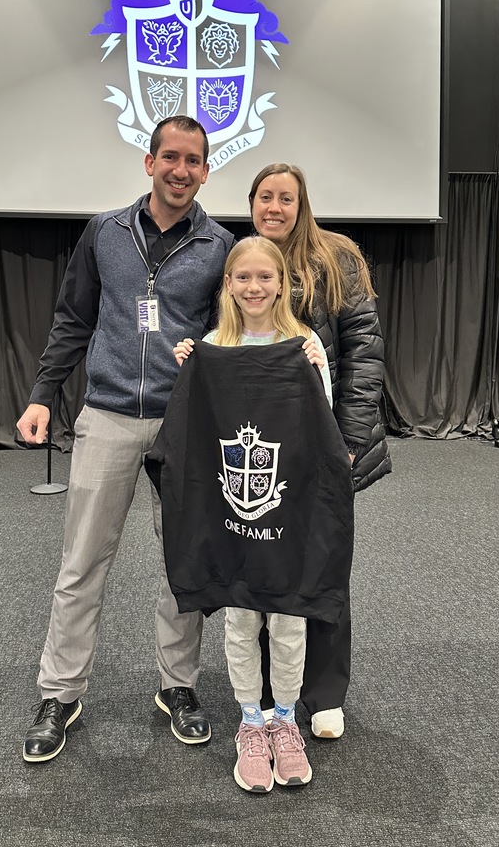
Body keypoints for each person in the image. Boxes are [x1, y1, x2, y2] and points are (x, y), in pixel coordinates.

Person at [17, 115, 234, 763]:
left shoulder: (220, 244)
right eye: (170, 157)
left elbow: (228, 332)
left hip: (183, 421)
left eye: (193, 160)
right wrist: (40, 395)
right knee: (82, 564)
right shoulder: (103, 232)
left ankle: (179, 686)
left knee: (182, 565)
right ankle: (61, 693)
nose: (180, 170)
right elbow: (72, 318)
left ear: (204, 169)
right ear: (149, 163)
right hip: (108, 412)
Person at [173, 236, 334, 793]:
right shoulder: (215, 342)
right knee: (241, 618)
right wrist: (191, 369)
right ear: (228, 285)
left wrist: (318, 369)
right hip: (232, 516)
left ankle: (285, 722)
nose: (255, 287)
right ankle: (249, 721)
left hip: (289, 517)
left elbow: (323, 426)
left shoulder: (303, 340)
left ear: (282, 283)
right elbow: (197, 428)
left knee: (289, 618)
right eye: (243, 277)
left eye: (266, 277)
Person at [249, 163, 391, 740]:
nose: (275, 207)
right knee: (260, 566)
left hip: (328, 446)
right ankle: (263, 689)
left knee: (324, 565)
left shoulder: (338, 259)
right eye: (265, 197)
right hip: (264, 449)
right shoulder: (245, 259)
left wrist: (349, 443)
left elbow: (366, 355)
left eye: (286, 198)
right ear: (252, 202)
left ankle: (324, 692)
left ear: (302, 203)